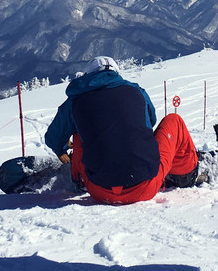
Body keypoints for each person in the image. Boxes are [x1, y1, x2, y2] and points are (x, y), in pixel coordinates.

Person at [44, 56, 199, 204]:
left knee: (79, 128)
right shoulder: (136, 91)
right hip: (146, 186)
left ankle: (79, 180)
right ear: (115, 73)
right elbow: (150, 121)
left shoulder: (75, 101)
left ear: (87, 75)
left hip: (98, 189)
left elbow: (53, 137)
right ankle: (183, 176)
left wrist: (62, 149)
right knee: (174, 120)